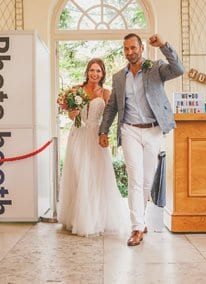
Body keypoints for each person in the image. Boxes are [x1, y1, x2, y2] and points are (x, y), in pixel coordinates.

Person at [98, 33, 184, 246]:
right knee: (135, 179)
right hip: (130, 130)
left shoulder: (155, 68)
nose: (130, 52)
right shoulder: (119, 77)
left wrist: (164, 45)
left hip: (153, 130)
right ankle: (137, 227)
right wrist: (103, 130)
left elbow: (179, 69)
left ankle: (141, 219)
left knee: (146, 180)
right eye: (126, 49)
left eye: (133, 48)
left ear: (142, 47)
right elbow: (112, 107)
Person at [58, 58, 130, 237]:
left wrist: (105, 135)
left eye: (98, 71)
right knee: (78, 174)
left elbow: (109, 117)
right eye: (92, 70)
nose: (94, 74)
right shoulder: (76, 90)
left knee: (95, 176)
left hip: (96, 137)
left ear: (102, 74)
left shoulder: (105, 93)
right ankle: (76, 218)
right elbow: (70, 115)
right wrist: (72, 112)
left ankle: (95, 218)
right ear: (87, 72)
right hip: (78, 135)